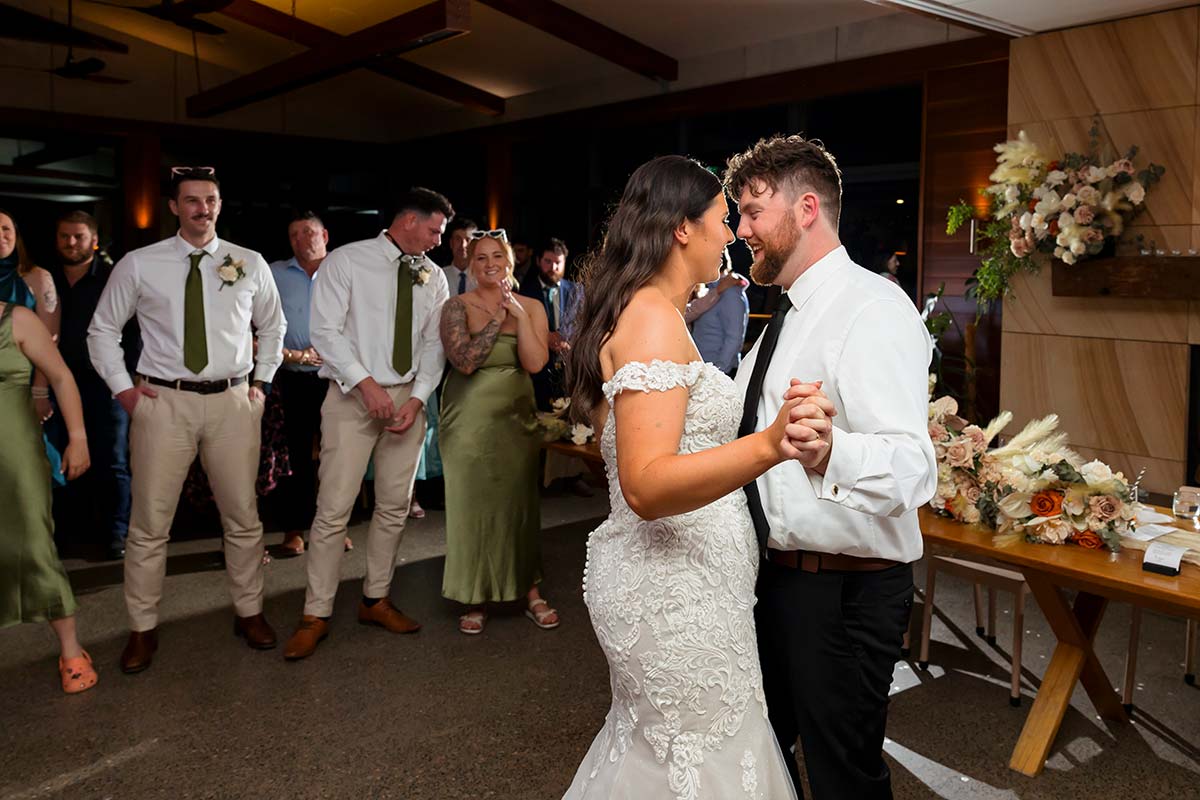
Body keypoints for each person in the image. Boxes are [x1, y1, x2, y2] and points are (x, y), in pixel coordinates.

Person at [560, 155, 833, 799]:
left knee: (677, 755)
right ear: (682, 229)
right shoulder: (652, 317)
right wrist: (770, 444)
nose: (731, 233)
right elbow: (646, 485)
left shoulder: (649, 311)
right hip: (675, 593)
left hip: (688, 585)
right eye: (719, 217)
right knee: (694, 761)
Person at [726, 135, 936, 799]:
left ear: (807, 207)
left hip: (845, 594)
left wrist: (832, 451)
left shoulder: (872, 308)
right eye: (737, 214)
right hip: (777, 582)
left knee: (843, 777)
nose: (741, 229)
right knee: (769, 765)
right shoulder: (786, 315)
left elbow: (913, 468)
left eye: (754, 211)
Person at [89, 167, 287, 673]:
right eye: (193, 200)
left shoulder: (248, 262)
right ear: (174, 207)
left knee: (243, 518)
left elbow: (274, 325)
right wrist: (127, 393)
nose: (204, 208)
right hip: (164, 403)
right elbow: (102, 332)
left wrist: (260, 386)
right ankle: (142, 628)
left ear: (220, 204)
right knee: (150, 524)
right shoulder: (140, 264)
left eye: (212, 199)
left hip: (232, 402)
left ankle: (250, 612)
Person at [283, 188, 452, 661]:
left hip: (407, 402)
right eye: (435, 230)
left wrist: (417, 400)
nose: (439, 241)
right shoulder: (347, 261)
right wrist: (367, 386)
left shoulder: (432, 275)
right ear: (410, 220)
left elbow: (433, 345)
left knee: (395, 506)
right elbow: (325, 332)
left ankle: (375, 599)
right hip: (352, 397)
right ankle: (315, 613)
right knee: (334, 507)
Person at [438, 230, 552, 635]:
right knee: (473, 506)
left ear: (509, 263)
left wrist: (518, 316)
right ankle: (474, 594)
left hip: (515, 419)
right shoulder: (456, 306)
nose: (490, 265)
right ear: (471, 264)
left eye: (497, 258)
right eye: (481, 258)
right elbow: (465, 361)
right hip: (467, 420)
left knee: (519, 502)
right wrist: (497, 320)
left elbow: (536, 364)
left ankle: (530, 591)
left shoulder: (532, 307)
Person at [0, 300, 95, 693]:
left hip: (15, 454)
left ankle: (71, 650)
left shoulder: (17, 319)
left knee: (33, 544)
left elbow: (60, 376)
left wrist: (78, 438)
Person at [48, 210, 139, 561]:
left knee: (112, 459)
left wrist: (126, 381)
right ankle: (67, 531)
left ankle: (117, 533)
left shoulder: (113, 279)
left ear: (94, 240)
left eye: (79, 236)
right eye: (64, 236)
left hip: (106, 384)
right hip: (55, 382)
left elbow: (133, 334)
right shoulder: (44, 278)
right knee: (58, 457)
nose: (71, 243)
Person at [269, 211, 352, 556]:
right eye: (294, 234)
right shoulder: (274, 273)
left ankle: (334, 528)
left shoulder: (346, 270)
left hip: (338, 378)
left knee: (337, 457)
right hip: (294, 377)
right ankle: (295, 530)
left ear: (325, 235)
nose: (302, 240)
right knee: (296, 457)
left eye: (309, 232)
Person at [0, 209, 59, 427]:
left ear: (16, 234)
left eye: (5, 228)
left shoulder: (37, 277)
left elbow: (50, 341)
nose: (0, 234)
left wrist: (39, 391)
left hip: (23, 385)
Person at [689, 255, 749, 375]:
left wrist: (719, 369)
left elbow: (734, 337)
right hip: (704, 369)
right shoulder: (710, 292)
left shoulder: (731, 294)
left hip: (718, 373)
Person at [441, 216, 478, 298]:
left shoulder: (482, 277)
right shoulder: (440, 275)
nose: (463, 245)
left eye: (468, 240)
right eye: (458, 239)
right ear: (451, 243)